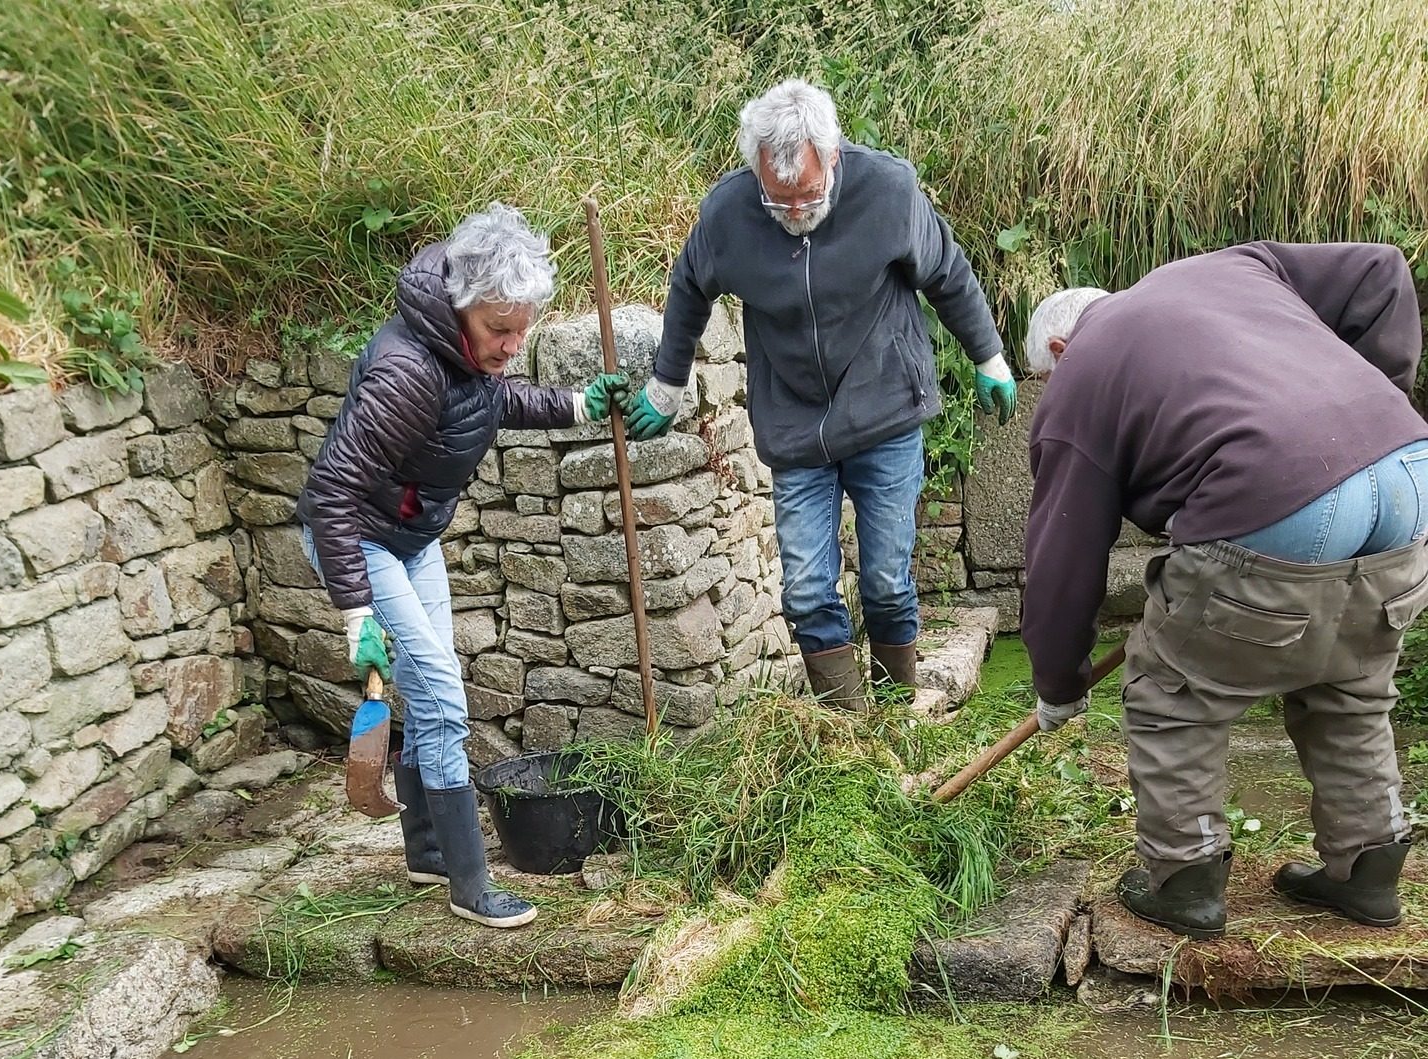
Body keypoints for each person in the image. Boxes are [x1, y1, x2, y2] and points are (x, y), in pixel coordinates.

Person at [1020, 241, 1428, 939]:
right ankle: (1366, 872)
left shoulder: (1083, 369)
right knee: (1348, 677)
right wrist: (1374, 408)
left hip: (1282, 494)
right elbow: (1383, 270)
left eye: (1046, 376)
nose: (1053, 389)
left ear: (1061, 346)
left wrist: (1060, 683)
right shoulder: (1225, 269)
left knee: (1171, 692)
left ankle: (1186, 880)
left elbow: (1062, 556)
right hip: (1410, 474)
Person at [624, 79, 1016, 709]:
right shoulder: (728, 214)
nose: (796, 212)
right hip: (794, 418)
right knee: (806, 591)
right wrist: (667, 384)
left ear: (833, 158)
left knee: (886, 582)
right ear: (756, 173)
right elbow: (690, 287)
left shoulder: (887, 190)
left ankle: (893, 722)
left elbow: (947, 271)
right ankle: (851, 737)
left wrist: (989, 355)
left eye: (808, 194)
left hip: (884, 405)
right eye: (779, 202)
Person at [296, 203, 628, 928]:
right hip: (360, 540)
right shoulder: (408, 372)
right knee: (443, 698)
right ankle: (470, 884)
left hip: (410, 540)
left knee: (432, 685)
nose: (512, 344)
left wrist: (575, 405)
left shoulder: (460, 355)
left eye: (522, 328)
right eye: (498, 330)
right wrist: (357, 615)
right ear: (461, 308)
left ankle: (426, 851)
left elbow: (489, 401)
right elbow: (331, 493)